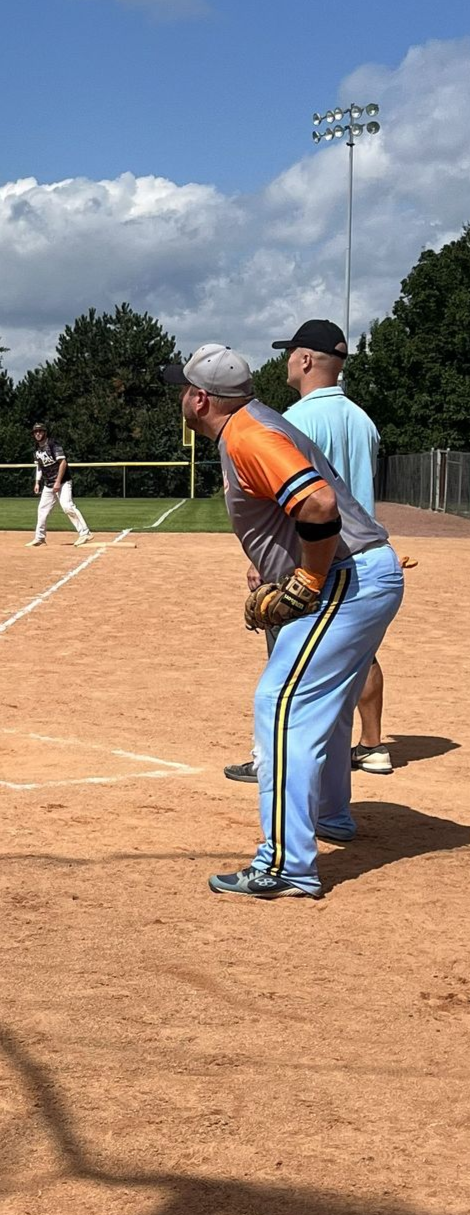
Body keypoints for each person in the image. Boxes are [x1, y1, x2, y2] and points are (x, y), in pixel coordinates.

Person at [163, 344, 403, 898]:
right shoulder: (252, 423)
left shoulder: (249, 435)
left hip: (345, 579)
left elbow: (317, 506)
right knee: (326, 701)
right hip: (363, 573)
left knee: (281, 705)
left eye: (183, 389)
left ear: (201, 399)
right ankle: (331, 815)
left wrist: (307, 581)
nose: (180, 396)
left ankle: (285, 865)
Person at [223, 319, 392, 782]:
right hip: (363, 554)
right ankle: (373, 746)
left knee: (287, 671)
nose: (286, 361)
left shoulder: (289, 422)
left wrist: (265, 566)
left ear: (306, 360)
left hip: (313, 557)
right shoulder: (364, 420)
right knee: (359, 658)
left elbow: (306, 501)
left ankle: (272, 759)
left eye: (290, 353)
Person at [28, 424, 92, 547]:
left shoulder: (53, 444)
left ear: (45, 432)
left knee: (67, 506)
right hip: (48, 484)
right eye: (35, 432)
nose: (38, 433)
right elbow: (39, 467)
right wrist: (37, 482)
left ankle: (85, 533)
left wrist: (58, 481)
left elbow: (63, 462)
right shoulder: (36, 449)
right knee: (42, 510)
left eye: (40, 431)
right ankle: (40, 538)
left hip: (63, 482)